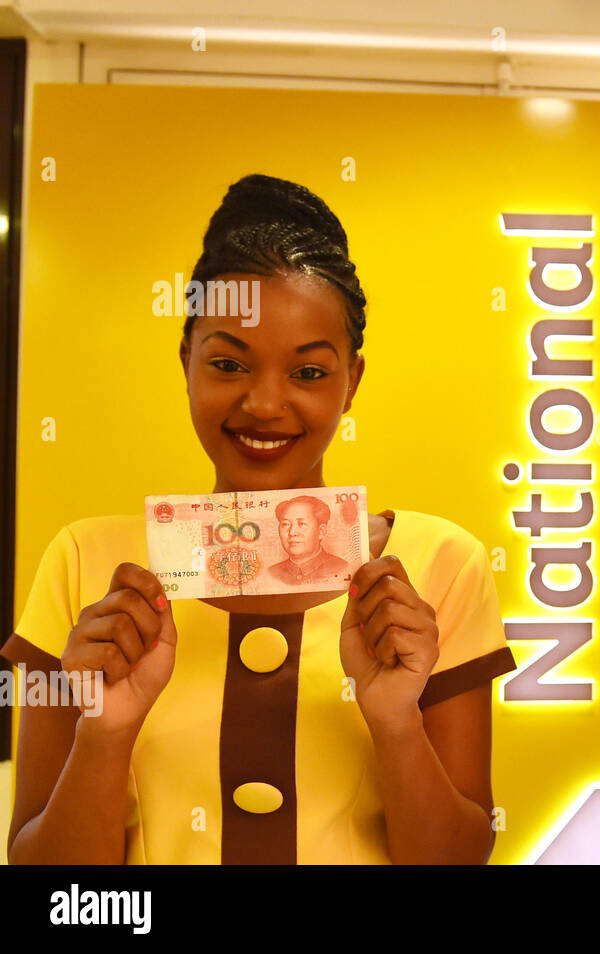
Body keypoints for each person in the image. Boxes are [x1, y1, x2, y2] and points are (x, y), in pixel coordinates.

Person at [3, 174, 516, 864]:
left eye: (308, 373)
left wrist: (396, 720)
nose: (265, 405)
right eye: (228, 363)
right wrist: (105, 733)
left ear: (352, 382)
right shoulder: (85, 565)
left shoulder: (438, 566)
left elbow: (456, 860)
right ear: (186, 360)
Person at [268, 494, 352, 586]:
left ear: (321, 531)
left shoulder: (342, 569)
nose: (292, 532)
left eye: (302, 524)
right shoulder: (270, 574)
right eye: (285, 524)